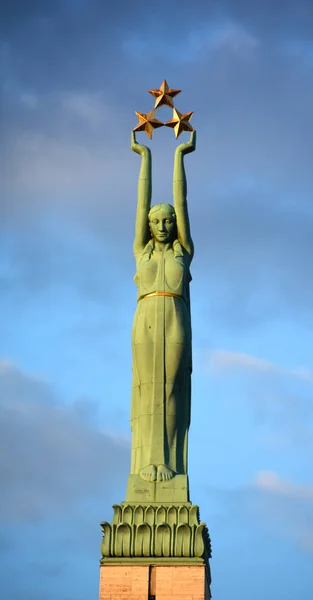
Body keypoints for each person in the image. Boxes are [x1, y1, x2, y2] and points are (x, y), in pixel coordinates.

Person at [130, 130, 196, 483]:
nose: (161, 225)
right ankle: (146, 464)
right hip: (146, 319)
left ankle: (168, 462)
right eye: (155, 221)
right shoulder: (141, 251)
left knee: (170, 386)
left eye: (166, 220)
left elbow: (182, 202)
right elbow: (141, 205)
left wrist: (179, 156)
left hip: (175, 318)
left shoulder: (183, 252)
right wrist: (144, 157)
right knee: (147, 389)